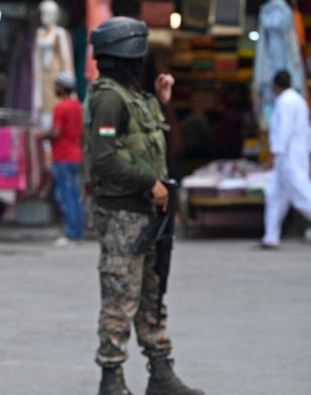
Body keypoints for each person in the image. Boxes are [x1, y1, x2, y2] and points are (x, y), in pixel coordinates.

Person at [85, 16, 204, 395]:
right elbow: (104, 158)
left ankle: (160, 372)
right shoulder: (107, 97)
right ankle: (112, 378)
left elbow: (141, 141)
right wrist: (148, 182)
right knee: (120, 297)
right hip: (123, 212)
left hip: (149, 213)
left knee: (152, 296)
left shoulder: (134, 96)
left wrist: (159, 99)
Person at [259, 69, 311, 250]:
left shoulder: (285, 102)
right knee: (274, 196)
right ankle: (270, 238)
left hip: (288, 158)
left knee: (303, 197)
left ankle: (271, 237)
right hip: (293, 156)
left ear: (275, 85)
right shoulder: (299, 100)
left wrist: (273, 154)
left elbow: (284, 131)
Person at [41, 71, 84, 247]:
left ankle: (71, 234)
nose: (55, 88)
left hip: (63, 156)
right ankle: (77, 232)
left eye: (57, 85)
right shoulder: (78, 106)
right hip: (76, 155)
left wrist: (42, 135)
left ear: (62, 87)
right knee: (75, 195)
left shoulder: (61, 107)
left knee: (66, 196)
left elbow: (56, 132)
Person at [33, 0, 74, 131]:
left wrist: (70, 87)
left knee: (56, 103)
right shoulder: (39, 33)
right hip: (42, 75)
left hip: (56, 74)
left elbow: (66, 60)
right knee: (43, 106)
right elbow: (36, 59)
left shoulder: (60, 33)